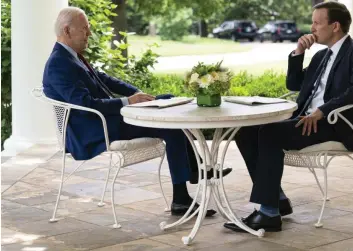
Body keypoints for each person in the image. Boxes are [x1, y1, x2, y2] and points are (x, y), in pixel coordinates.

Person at [43, 7, 232, 217]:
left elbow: (104, 79)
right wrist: (127, 102)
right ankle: (181, 198)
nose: (89, 34)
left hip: (107, 119)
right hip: (95, 129)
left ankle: (197, 170)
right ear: (67, 31)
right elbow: (87, 104)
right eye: (85, 29)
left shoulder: (72, 56)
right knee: (172, 128)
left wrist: (138, 94)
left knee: (167, 100)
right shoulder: (58, 64)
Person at [224, 1, 353, 232]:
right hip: (305, 119)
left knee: (270, 133)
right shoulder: (321, 55)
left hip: (334, 124)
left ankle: (268, 213)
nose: (311, 28)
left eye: (316, 22)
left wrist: (322, 110)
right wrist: (298, 53)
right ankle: (278, 199)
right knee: (246, 131)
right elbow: (294, 83)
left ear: (335, 26)